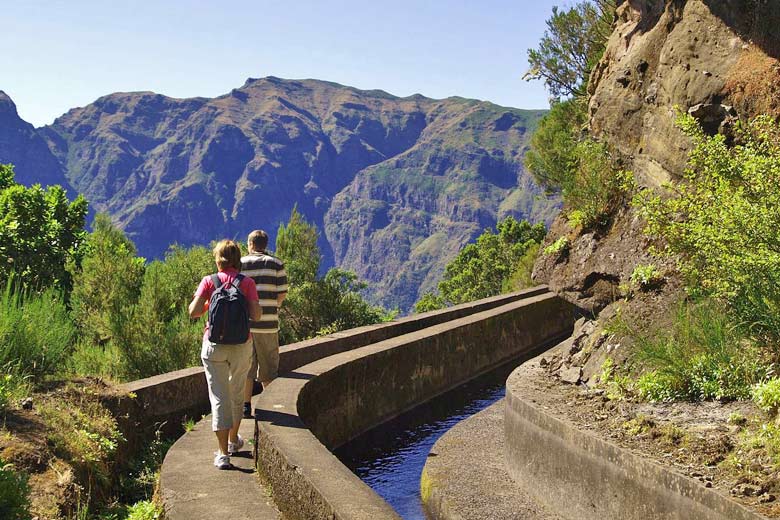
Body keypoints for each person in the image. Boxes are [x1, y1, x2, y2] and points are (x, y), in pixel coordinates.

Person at [188, 239, 262, 470]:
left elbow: (193, 312)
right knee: (237, 393)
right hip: (241, 345)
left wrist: (210, 301)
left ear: (218, 259)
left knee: (219, 397)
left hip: (214, 346)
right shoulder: (247, 283)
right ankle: (233, 441)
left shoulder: (209, 281)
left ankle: (222, 455)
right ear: (238, 258)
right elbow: (257, 315)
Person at [241, 230, 288, 418]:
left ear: (250, 244)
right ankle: (268, 407)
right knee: (269, 368)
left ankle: (246, 405)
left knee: (246, 368)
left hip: (245, 326)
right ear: (265, 245)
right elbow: (281, 294)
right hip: (268, 325)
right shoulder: (277, 264)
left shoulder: (240, 264)